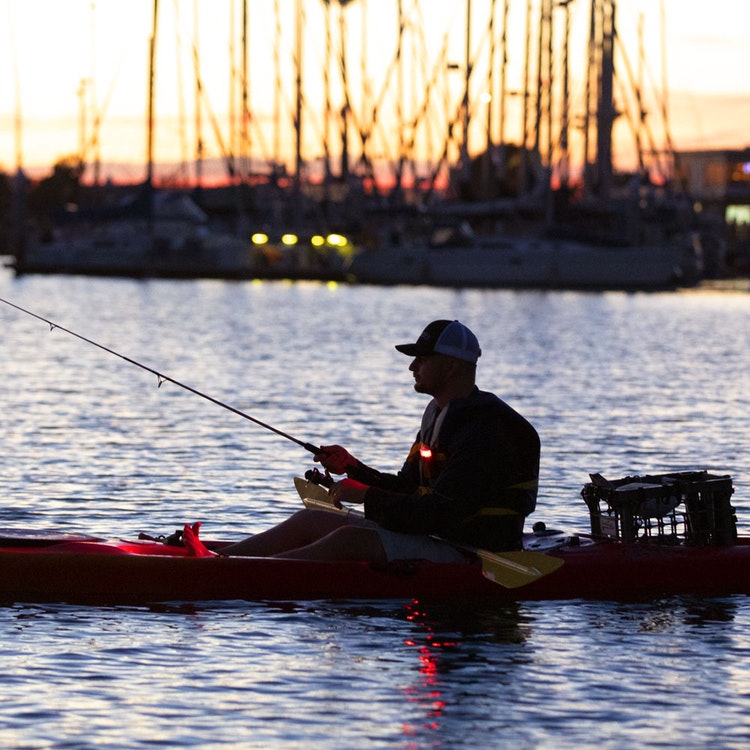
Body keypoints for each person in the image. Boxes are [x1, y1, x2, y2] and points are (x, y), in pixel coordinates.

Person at [211, 320, 540, 564]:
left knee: (349, 540)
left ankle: (232, 572)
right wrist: (353, 468)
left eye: (422, 359)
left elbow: (439, 513)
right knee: (310, 520)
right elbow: (407, 487)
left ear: (451, 366)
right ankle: (212, 558)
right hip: (435, 535)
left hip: (475, 552)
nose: (412, 366)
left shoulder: (487, 429)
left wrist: (366, 495)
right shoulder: (440, 415)